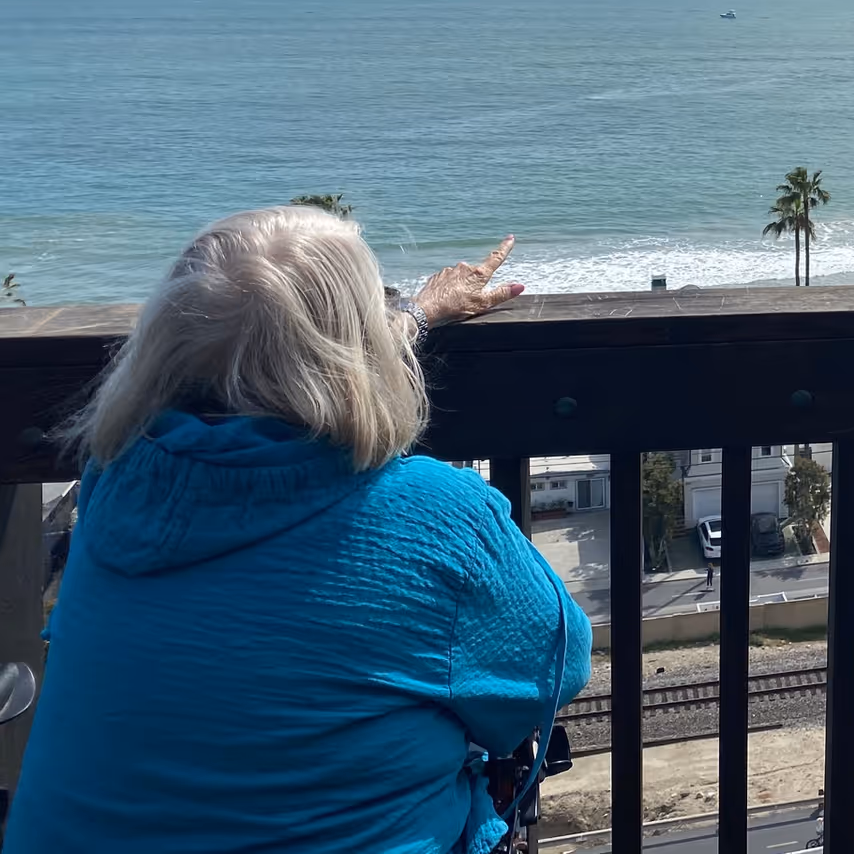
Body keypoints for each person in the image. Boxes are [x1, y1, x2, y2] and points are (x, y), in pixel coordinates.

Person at [7, 206, 592, 854]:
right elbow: (553, 669)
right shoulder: (434, 520)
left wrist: (418, 315)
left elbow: (256, 371)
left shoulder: (118, 478)